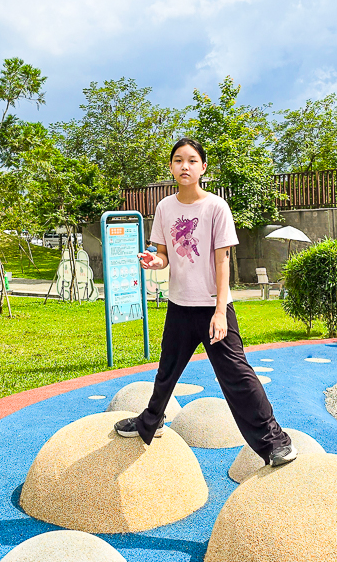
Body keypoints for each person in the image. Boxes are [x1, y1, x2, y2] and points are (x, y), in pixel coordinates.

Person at [114, 137, 297, 466]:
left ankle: (275, 442)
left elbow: (223, 261)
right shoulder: (165, 208)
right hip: (179, 307)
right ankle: (149, 424)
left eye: (192, 160)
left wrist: (220, 311)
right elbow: (164, 254)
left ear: (203, 167)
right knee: (166, 372)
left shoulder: (216, 207)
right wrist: (155, 262)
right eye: (178, 160)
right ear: (171, 167)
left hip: (214, 309)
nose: (185, 166)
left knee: (238, 376)